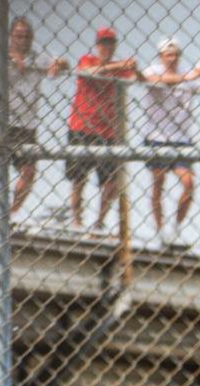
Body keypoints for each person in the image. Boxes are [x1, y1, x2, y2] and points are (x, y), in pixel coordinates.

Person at [139, 39, 200, 248]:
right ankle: (160, 228)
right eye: (168, 55)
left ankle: (175, 227)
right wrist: (187, 77)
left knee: (189, 184)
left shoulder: (189, 74)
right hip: (157, 136)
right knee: (158, 182)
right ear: (161, 56)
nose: (172, 58)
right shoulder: (152, 70)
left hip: (181, 139)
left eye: (175, 55)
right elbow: (156, 81)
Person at [66, 26, 136, 235]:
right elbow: (89, 73)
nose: (106, 47)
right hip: (82, 127)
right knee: (79, 179)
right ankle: (77, 222)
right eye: (103, 43)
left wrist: (135, 67)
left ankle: (99, 223)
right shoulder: (88, 60)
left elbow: (137, 77)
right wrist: (118, 66)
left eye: (109, 43)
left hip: (107, 131)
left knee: (111, 182)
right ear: (97, 45)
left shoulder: (120, 68)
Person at [5, 18, 67, 219]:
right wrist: (12, 60)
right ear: (10, 36)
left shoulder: (36, 58)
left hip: (26, 126)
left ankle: (11, 214)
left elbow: (63, 63)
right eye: (18, 35)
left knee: (29, 171)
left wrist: (59, 63)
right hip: (2, 122)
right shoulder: (0, 54)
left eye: (26, 35)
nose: (23, 39)